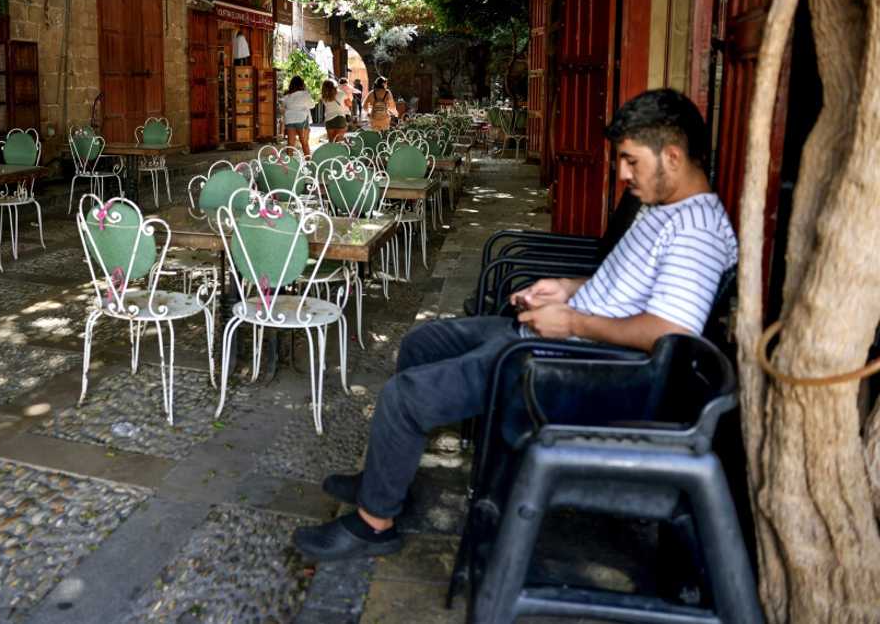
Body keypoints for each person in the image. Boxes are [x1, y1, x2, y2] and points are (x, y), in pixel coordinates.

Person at [291, 88, 738, 561]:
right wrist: (567, 287)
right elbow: (628, 288)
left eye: (630, 160)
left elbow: (671, 332)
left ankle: (373, 524)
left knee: (403, 399)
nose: (621, 173)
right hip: (554, 340)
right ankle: (383, 477)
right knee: (424, 341)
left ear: (672, 155)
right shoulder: (662, 208)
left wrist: (571, 322)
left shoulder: (696, 231)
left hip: (574, 370)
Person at [280, 76, 315, 157]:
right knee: (304, 143)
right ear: (302, 84)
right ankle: (309, 163)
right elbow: (312, 105)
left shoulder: (287, 96)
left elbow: (282, 108)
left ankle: (290, 166)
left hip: (289, 120)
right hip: (302, 119)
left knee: (290, 144)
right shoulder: (305, 94)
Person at [320, 79, 352, 143]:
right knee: (339, 142)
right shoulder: (341, 93)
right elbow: (349, 104)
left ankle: (331, 153)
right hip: (339, 118)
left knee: (331, 142)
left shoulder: (324, 96)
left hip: (329, 120)